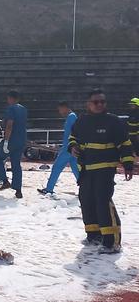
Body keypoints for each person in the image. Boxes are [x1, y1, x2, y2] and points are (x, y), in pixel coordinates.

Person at [68, 89, 134, 254]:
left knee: (103, 201)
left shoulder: (114, 122)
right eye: (96, 102)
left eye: (102, 102)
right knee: (86, 200)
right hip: (86, 169)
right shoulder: (82, 121)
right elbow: (73, 137)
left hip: (105, 168)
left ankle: (112, 242)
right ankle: (94, 234)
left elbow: (125, 145)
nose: (99, 105)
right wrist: (73, 146)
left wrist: (128, 164)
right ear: (88, 104)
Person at [38, 102, 79, 194]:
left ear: (65, 107)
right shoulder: (72, 117)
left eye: (60, 109)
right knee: (76, 169)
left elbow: (73, 133)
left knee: (57, 167)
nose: (59, 111)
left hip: (68, 148)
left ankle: (49, 189)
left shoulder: (71, 117)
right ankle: (86, 188)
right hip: (70, 147)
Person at [0, 90, 28, 199]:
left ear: (11, 98)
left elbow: (9, 125)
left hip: (11, 139)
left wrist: (6, 141)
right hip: (21, 139)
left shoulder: (11, 109)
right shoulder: (23, 109)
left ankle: (4, 180)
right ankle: (18, 190)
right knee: (16, 164)